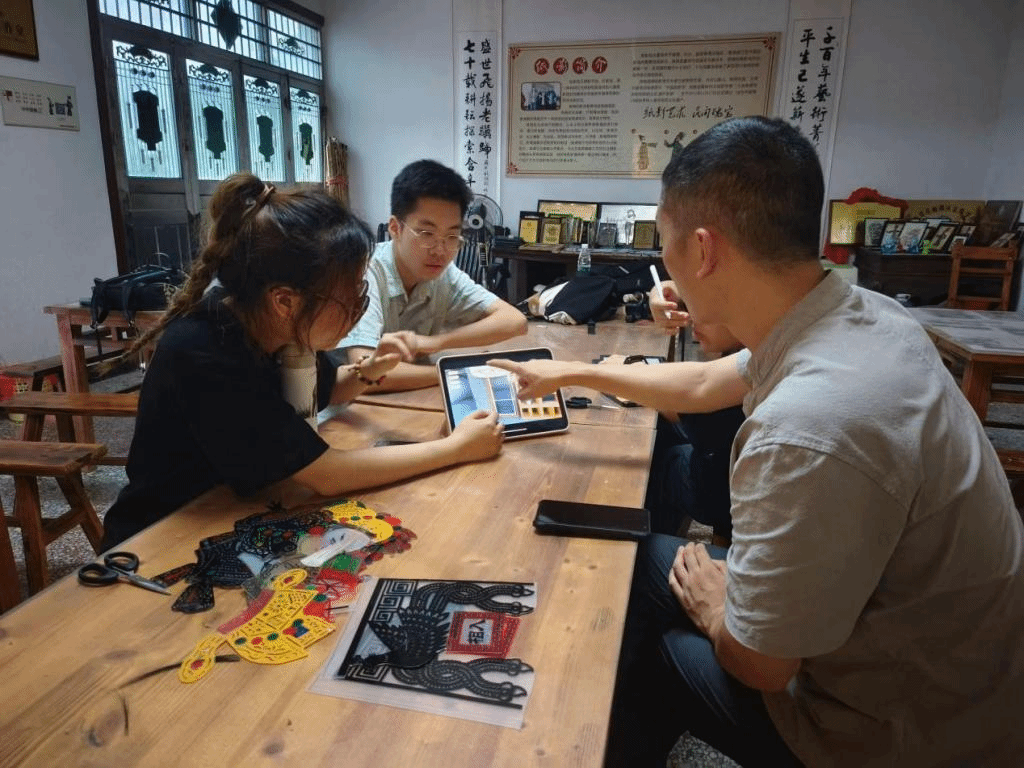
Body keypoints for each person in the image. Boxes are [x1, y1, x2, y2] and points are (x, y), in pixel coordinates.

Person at [490, 116, 1024, 767]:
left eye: (664, 241)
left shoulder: (805, 429)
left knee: (659, 652)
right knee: (638, 560)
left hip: (905, 736)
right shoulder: (860, 314)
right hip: (959, 673)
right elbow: (705, 382)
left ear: (703, 250)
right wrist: (572, 372)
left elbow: (762, 665)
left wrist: (719, 610)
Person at [101, 173, 504, 549]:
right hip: (162, 537)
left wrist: (370, 370)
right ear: (285, 301)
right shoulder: (206, 352)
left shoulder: (276, 329)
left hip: (234, 514)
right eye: (350, 294)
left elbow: (329, 389)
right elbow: (328, 474)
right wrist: (455, 448)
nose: (359, 306)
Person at [335, 159, 527, 392]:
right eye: (427, 234)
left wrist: (435, 343)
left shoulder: (443, 274)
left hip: (408, 397)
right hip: (345, 406)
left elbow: (514, 321)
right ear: (395, 228)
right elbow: (364, 374)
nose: (440, 251)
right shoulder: (366, 272)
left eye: (452, 236)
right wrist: (455, 372)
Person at [644, 279, 744, 542]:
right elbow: (671, 285)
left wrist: (589, 373)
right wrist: (661, 294)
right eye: (690, 306)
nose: (691, 319)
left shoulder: (752, 361)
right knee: (661, 430)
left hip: (722, 489)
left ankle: (651, 543)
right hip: (724, 463)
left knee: (662, 456)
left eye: (702, 308)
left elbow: (685, 400)